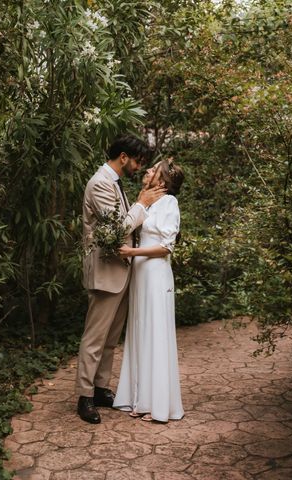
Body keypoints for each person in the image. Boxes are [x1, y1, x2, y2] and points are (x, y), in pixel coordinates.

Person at [76, 134, 166, 424]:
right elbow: (116, 230)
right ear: (124, 157)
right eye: (139, 161)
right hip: (105, 271)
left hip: (121, 270)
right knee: (95, 338)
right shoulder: (100, 183)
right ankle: (84, 397)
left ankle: (101, 388)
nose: (140, 167)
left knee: (110, 339)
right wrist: (141, 203)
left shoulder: (115, 183)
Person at [113, 157, 185, 423]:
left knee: (155, 331)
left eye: (154, 169)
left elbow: (167, 247)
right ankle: (138, 397)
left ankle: (157, 404)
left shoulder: (170, 203)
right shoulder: (146, 200)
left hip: (155, 273)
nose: (148, 170)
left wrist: (132, 252)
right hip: (140, 274)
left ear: (163, 180)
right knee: (140, 330)